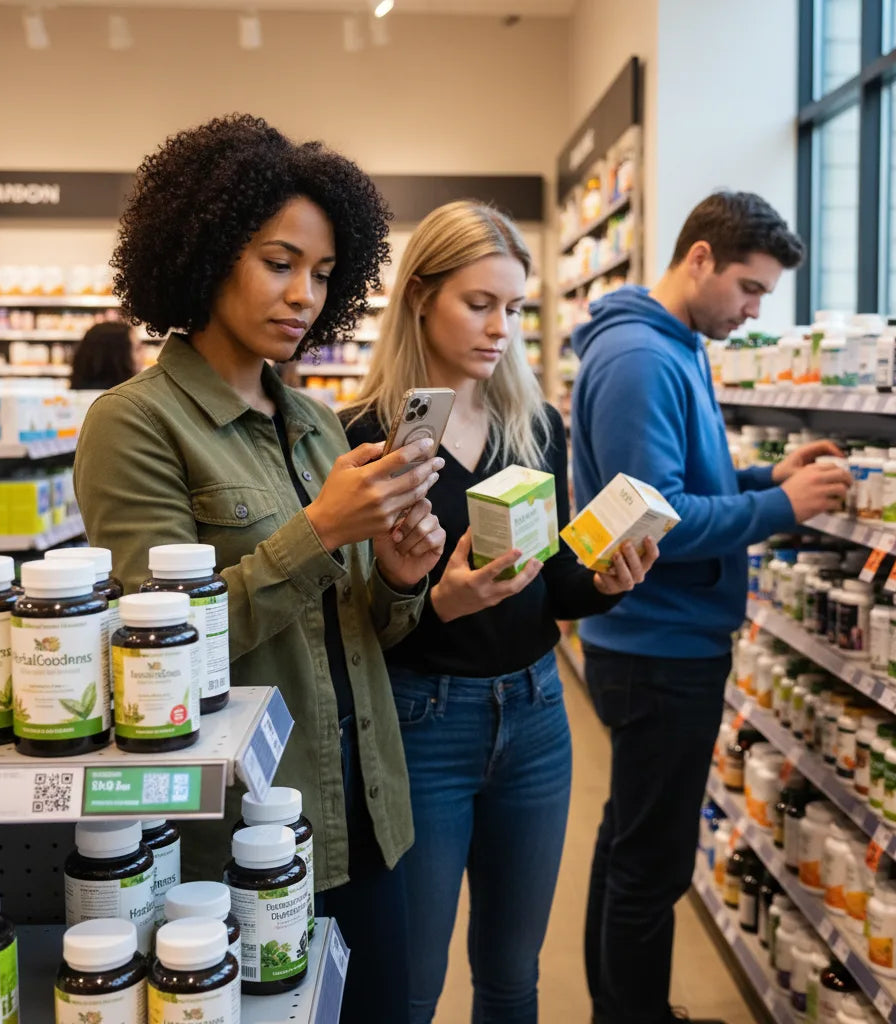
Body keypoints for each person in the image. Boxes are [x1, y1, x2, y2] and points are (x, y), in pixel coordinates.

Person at [73, 114, 447, 1024]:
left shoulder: (318, 424)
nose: (304, 296)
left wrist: (399, 574)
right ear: (204, 254)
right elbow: (148, 654)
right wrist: (318, 533)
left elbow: (369, 629)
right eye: (279, 263)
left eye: (323, 274)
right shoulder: (138, 424)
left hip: (369, 810)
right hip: (243, 842)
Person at [343, 199, 659, 1024]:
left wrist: (608, 582)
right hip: (421, 724)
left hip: (536, 716)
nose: (500, 329)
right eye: (478, 304)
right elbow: (351, 619)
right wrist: (434, 600)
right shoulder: (362, 440)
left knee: (514, 974)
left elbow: (550, 584)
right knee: (411, 984)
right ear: (420, 297)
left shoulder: (534, 424)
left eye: (513, 308)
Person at [570, 190, 853, 1024]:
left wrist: (768, 479)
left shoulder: (675, 343)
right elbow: (658, 513)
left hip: (659, 640)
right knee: (651, 866)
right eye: (749, 288)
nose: (755, 308)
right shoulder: (643, 359)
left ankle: (620, 1009)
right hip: (659, 647)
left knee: (631, 843)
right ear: (699, 259)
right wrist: (783, 510)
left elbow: (692, 486)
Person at [69, 320, 143, 389]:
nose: (143, 354)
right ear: (117, 359)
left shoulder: (73, 395)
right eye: (137, 349)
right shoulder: (125, 397)